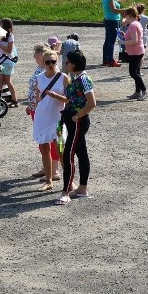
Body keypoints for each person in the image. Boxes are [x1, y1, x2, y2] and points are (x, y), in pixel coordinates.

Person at [53, 50, 96, 206]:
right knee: (81, 153)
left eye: (68, 62)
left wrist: (78, 115)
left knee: (68, 154)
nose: (66, 64)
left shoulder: (84, 79)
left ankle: (66, 192)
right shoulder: (74, 78)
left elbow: (92, 103)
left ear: (74, 64)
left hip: (78, 120)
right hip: (71, 119)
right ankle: (82, 188)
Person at [33, 49, 68, 191]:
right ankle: (48, 181)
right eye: (47, 62)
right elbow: (37, 97)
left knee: (60, 149)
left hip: (58, 118)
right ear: (43, 63)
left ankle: (69, 180)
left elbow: (69, 99)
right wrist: (34, 109)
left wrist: (55, 96)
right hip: (42, 117)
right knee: (44, 149)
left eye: (53, 61)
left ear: (57, 61)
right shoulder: (39, 77)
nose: (50, 64)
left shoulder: (63, 77)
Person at [120, 7, 147, 100]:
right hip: (138, 50)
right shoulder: (137, 23)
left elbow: (134, 40)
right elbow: (134, 37)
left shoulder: (132, 25)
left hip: (135, 52)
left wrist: (122, 42)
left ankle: (144, 91)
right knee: (137, 72)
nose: (125, 18)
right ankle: (137, 92)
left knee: (133, 73)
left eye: (125, 16)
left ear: (130, 15)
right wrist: (124, 35)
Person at [0, 18, 19, 106]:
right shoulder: (0, 35)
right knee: (1, 80)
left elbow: (9, 51)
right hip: (1, 60)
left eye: (1, 24)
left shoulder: (10, 36)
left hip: (8, 61)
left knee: (7, 80)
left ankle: (14, 99)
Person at [101, 0, 123, 67]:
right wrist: (125, 10)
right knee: (111, 41)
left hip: (108, 20)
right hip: (113, 21)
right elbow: (114, 10)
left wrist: (117, 2)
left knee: (107, 40)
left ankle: (105, 60)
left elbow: (110, 5)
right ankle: (110, 60)